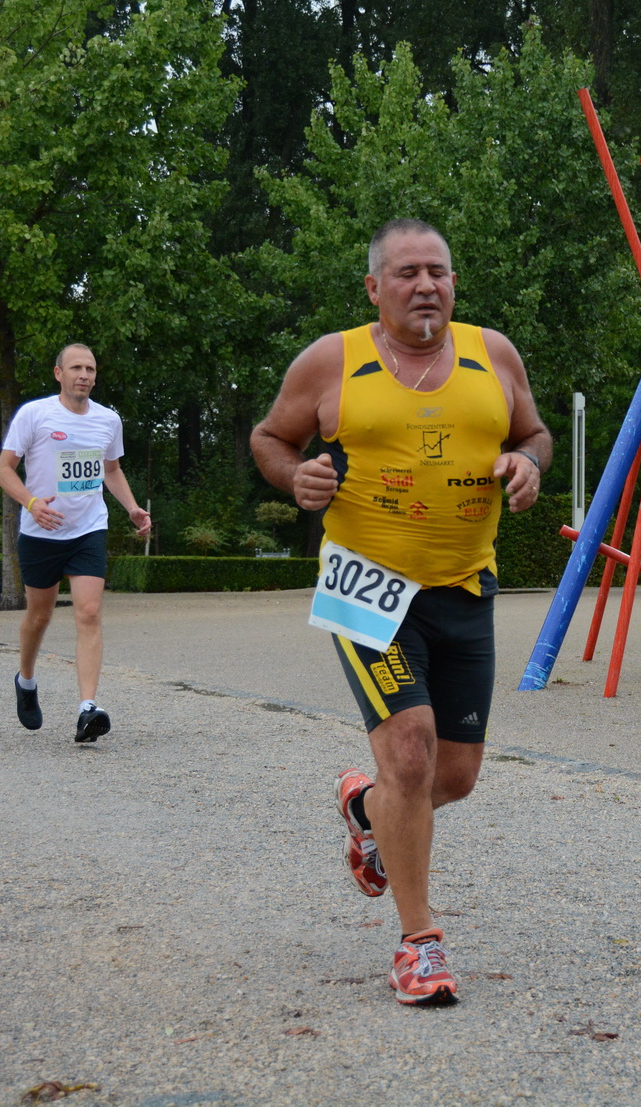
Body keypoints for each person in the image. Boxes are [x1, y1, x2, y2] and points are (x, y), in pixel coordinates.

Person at [252, 218, 551, 1005]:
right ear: (374, 287)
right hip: (367, 586)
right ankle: (420, 945)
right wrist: (295, 476)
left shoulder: (495, 355)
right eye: (408, 272)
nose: (426, 285)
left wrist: (527, 462)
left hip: (465, 586)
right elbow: (270, 437)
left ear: (454, 282)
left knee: (455, 774)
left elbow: (535, 432)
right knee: (411, 755)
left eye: (438, 271)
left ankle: (366, 809)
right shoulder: (332, 361)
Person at [0, 344, 152, 742]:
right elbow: (3, 470)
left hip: (88, 528)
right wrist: (31, 502)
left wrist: (132, 507)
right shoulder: (35, 414)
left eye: (90, 369)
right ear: (59, 373)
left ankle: (87, 708)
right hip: (41, 531)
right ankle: (26, 680)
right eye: (76, 367)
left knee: (90, 612)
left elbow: (111, 470)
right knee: (39, 616)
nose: (84, 375)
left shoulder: (108, 420)